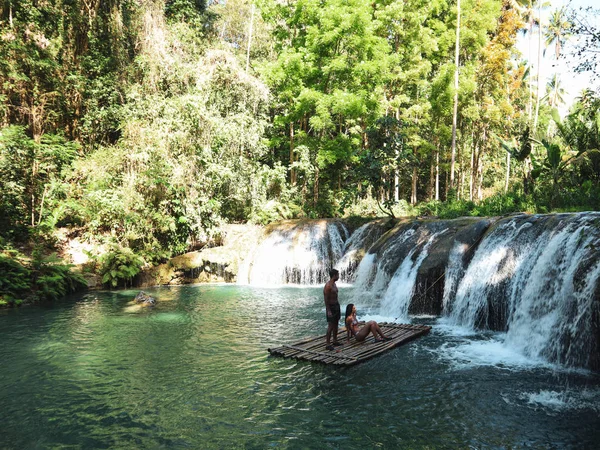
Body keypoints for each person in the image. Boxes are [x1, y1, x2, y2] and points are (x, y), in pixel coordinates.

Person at [323, 268, 342, 351]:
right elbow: (326, 299)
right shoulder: (328, 286)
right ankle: (327, 344)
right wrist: (328, 310)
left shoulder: (334, 284)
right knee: (330, 325)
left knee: (336, 324)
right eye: (337, 275)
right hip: (331, 307)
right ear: (334, 276)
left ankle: (335, 340)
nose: (338, 276)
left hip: (336, 305)